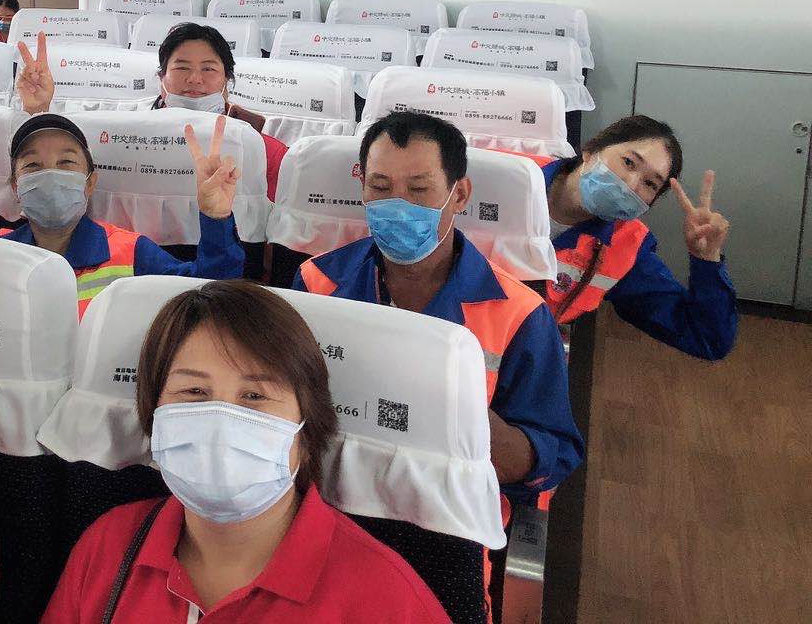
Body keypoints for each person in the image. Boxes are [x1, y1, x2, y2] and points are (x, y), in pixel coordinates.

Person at [42, 280, 449, 623]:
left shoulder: (387, 599)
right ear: (153, 413)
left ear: (306, 428)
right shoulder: (108, 549)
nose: (222, 421)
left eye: (254, 396)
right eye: (194, 392)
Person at [295, 112, 583, 510]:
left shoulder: (519, 314)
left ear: (459, 195)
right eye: (380, 187)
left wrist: (474, 429)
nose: (398, 206)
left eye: (419, 189)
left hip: (445, 515)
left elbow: (552, 454)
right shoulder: (316, 283)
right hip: (328, 499)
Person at [0, 111, 245, 318]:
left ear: (89, 182)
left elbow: (212, 297)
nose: (50, 174)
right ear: (16, 187)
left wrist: (215, 218)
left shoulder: (130, 252)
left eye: (66, 163)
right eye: (33, 166)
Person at [534, 114, 736, 359]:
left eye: (650, 184)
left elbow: (708, 339)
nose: (631, 184)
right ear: (591, 151)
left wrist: (707, 260)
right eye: (628, 162)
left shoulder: (625, 248)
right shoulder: (511, 173)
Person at [15, 23, 285, 200]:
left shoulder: (262, 149)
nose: (194, 79)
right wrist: (38, 109)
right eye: (181, 67)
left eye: (208, 68)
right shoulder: (125, 135)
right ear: (161, 80)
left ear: (227, 81)